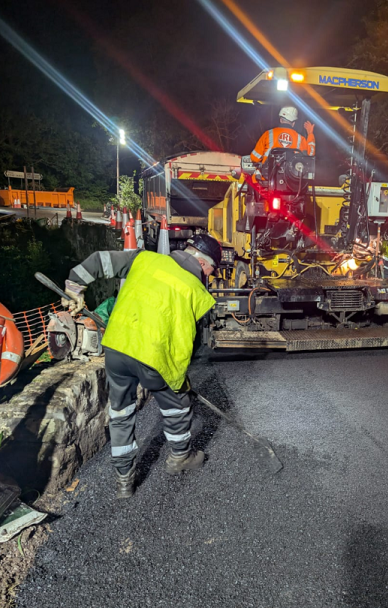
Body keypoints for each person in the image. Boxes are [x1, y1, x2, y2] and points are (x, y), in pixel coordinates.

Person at [61, 233, 222, 498]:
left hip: (117, 347)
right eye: (212, 271)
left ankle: (124, 480)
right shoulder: (199, 294)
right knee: (177, 406)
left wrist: (75, 288)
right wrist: (181, 382)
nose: (210, 275)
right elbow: (188, 345)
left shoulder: (142, 259)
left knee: (121, 412)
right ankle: (180, 457)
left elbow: (100, 260)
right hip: (155, 358)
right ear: (205, 265)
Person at [250, 106, 315, 179]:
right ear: (293, 123)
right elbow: (310, 156)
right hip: (292, 181)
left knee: (253, 179)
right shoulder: (300, 138)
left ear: (281, 120)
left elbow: (254, 158)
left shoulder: (268, 134)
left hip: (268, 180)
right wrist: (310, 134)